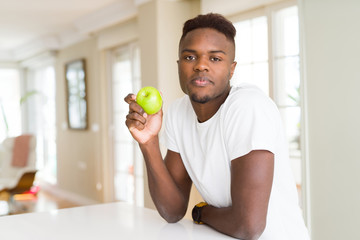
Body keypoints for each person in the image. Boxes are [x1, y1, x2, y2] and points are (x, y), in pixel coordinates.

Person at [124, 13, 310, 240]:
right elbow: (172, 211)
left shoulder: (247, 107)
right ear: (179, 65)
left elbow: (248, 227)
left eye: (215, 58)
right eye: (190, 57)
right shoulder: (176, 113)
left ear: (232, 69)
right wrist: (149, 142)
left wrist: (201, 212)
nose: (201, 66)